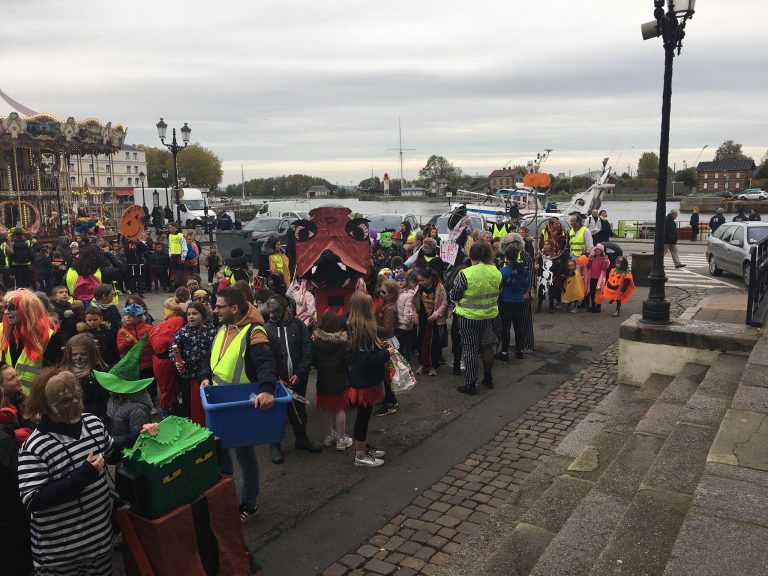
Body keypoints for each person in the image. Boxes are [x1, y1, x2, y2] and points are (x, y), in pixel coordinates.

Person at [17, 369, 159, 575]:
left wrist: (140, 435)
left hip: (98, 547)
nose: (75, 404)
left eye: (77, 396)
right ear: (46, 404)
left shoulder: (91, 423)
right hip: (59, 556)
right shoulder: (35, 448)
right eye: (65, 400)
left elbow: (111, 450)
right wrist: (82, 476)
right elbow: (33, 500)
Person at [200, 286, 277, 521]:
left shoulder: (254, 331)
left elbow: (265, 362)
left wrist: (266, 390)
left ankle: (249, 504)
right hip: (218, 403)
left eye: (219, 306)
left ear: (233, 308)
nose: (214, 310)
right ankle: (224, 502)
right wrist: (205, 375)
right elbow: (211, 356)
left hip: (240, 404)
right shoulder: (222, 327)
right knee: (221, 455)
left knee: (244, 455)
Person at [265, 295, 319, 462]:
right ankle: (274, 446)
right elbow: (264, 358)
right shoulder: (265, 329)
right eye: (270, 311)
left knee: (299, 408)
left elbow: (307, 351)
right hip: (277, 382)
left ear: (287, 310)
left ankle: (301, 439)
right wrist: (274, 379)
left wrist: (300, 373)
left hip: (297, 379)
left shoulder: (299, 325)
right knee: (275, 413)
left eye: (276, 311)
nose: (272, 314)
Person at [346, 293, 396, 467]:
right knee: (363, 416)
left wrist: (378, 348)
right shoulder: (363, 330)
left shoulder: (353, 326)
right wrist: (385, 353)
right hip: (365, 381)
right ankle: (360, 455)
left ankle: (364, 446)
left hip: (360, 379)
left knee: (364, 415)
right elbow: (366, 360)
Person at [451, 242, 501, 394]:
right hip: (490, 315)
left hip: (468, 317)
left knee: (470, 349)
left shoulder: (465, 273)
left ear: (471, 256)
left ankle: (471, 384)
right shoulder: (496, 272)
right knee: (487, 347)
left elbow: (454, 295)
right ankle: (488, 378)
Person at [0, 289, 63, 392]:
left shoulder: (50, 337)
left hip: (34, 401)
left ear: (27, 309)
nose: (6, 312)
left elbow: (53, 375)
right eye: (6, 307)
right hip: (6, 401)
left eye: (12, 308)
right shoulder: (1, 331)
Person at [312, 312, 353, 451]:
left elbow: (314, 362)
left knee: (326, 409)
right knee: (340, 409)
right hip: (340, 381)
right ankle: (341, 439)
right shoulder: (342, 344)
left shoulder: (316, 343)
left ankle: (329, 436)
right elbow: (347, 363)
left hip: (323, 381)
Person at [172, 302, 216, 425]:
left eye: (195, 314)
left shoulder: (211, 331)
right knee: (189, 407)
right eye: (189, 314)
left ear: (203, 315)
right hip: (188, 377)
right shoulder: (182, 332)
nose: (191, 316)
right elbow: (173, 350)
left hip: (207, 377)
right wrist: (177, 361)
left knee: (205, 405)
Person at [149, 298, 187, 416]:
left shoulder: (172, 321)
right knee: (169, 388)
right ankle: (168, 411)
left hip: (161, 359)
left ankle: (169, 411)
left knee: (167, 388)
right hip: (165, 359)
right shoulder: (178, 321)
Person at [58, 333, 109, 420]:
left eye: (83, 354)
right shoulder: (60, 374)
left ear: (91, 354)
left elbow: (101, 405)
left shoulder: (99, 375)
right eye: (74, 354)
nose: (78, 357)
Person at [498, 241, 531, 361]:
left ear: (506, 256)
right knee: (519, 326)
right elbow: (527, 284)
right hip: (519, 300)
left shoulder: (502, 271)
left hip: (505, 301)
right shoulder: (524, 270)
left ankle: (504, 351)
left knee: (505, 327)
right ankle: (519, 350)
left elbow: (499, 286)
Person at [412, 268, 447, 377]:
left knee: (434, 343)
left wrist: (435, 315)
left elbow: (444, 304)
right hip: (422, 319)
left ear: (429, 278)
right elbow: (412, 303)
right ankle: (422, 364)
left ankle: (433, 366)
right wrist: (415, 315)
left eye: (422, 280)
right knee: (421, 341)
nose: (420, 282)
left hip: (435, 321)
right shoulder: (418, 288)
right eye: (419, 280)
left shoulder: (439, 288)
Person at [374, 280, 400, 415]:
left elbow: (388, 330)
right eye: (380, 290)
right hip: (384, 342)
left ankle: (389, 403)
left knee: (387, 375)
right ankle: (390, 399)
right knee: (386, 374)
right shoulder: (386, 305)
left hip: (386, 343)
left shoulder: (389, 308)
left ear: (391, 295)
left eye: (383, 292)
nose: (380, 293)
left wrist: (371, 326)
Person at [394, 271, 415, 361]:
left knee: (406, 343)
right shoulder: (396, 292)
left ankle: (406, 360)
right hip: (397, 323)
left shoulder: (409, 294)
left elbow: (408, 310)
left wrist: (406, 322)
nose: (401, 282)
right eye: (399, 280)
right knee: (399, 344)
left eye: (403, 280)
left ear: (407, 281)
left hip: (404, 324)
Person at [584, 244, 611, 313]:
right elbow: (588, 267)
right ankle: (593, 306)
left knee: (599, 293)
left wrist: (605, 261)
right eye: (596, 249)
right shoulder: (593, 258)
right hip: (592, 278)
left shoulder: (603, 259)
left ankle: (598, 307)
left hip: (599, 279)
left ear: (602, 251)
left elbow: (604, 269)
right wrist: (589, 260)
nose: (597, 251)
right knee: (592, 292)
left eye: (599, 250)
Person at [167, 222, 188, 289]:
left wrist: (183, 257)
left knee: (179, 273)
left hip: (179, 256)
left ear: (174, 227)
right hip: (172, 257)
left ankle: (179, 286)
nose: (169, 229)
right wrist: (170, 255)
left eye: (170, 227)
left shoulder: (180, 236)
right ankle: (172, 286)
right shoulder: (170, 235)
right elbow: (170, 246)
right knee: (172, 272)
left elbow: (184, 247)